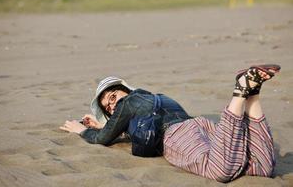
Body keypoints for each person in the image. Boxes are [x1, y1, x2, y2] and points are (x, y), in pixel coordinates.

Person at [60, 64, 280, 183]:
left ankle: (241, 92)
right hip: (200, 125)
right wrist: (102, 124)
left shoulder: (128, 101)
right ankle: (253, 95)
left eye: (112, 96)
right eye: (107, 108)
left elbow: (102, 139)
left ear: (126, 91)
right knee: (260, 168)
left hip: (175, 135)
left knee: (219, 169)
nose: (112, 105)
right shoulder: (155, 98)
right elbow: (136, 126)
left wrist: (81, 130)